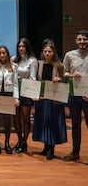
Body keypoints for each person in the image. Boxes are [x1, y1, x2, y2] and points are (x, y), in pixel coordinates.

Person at [32, 41, 67, 160]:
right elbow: (36, 80)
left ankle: (51, 148)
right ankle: (46, 147)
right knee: (43, 123)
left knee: (52, 123)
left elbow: (66, 82)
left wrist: (60, 79)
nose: (47, 53)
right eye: (45, 51)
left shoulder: (59, 65)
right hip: (42, 99)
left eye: (49, 51)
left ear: (54, 52)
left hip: (54, 100)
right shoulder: (39, 64)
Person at [62, 30, 88, 161]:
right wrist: (71, 75)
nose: (82, 42)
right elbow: (64, 73)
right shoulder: (69, 55)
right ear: (76, 41)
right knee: (75, 124)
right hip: (74, 95)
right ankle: (75, 152)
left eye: (84, 39)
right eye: (80, 39)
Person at [11, 38, 38, 153]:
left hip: (26, 91)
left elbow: (33, 78)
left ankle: (24, 142)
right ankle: (19, 140)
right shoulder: (13, 59)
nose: (21, 49)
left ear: (27, 47)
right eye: (19, 47)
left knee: (25, 118)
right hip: (14, 91)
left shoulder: (32, 60)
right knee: (16, 118)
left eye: (23, 46)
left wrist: (34, 93)